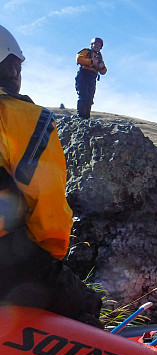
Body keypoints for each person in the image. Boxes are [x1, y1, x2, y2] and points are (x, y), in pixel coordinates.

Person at [0, 25, 102, 328]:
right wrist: (51, 262)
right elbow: (48, 205)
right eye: (15, 65)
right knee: (86, 310)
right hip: (8, 259)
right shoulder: (25, 118)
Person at [75, 37, 107, 119]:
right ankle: (81, 115)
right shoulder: (86, 51)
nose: (97, 46)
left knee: (90, 97)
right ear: (92, 45)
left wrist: (102, 67)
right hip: (83, 75)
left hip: (92, 77)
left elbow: (103, 71)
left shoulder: (100, 57)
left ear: (101, 47)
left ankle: (86, 117)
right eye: (95, 44)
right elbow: (79, 59)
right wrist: (91, 62)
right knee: (83, 95)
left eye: (99, 45)